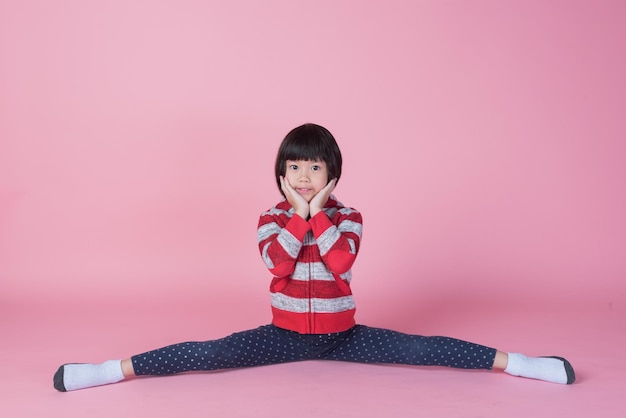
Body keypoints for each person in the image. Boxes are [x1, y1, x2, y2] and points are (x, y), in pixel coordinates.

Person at [53, 123, 575, 392]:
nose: (305, 177)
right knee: (208, 355)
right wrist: (298, 214)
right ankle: (107, 371)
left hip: (345, 337)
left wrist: (317, 213)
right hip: (280, 336)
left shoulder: (349, 218)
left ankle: (523, 364)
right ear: (282, 172)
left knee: (422, 348)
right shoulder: (270, 219)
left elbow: (341, 263)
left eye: (315, 169)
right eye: (295, 167)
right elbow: (279, 266)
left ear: (332, 174)